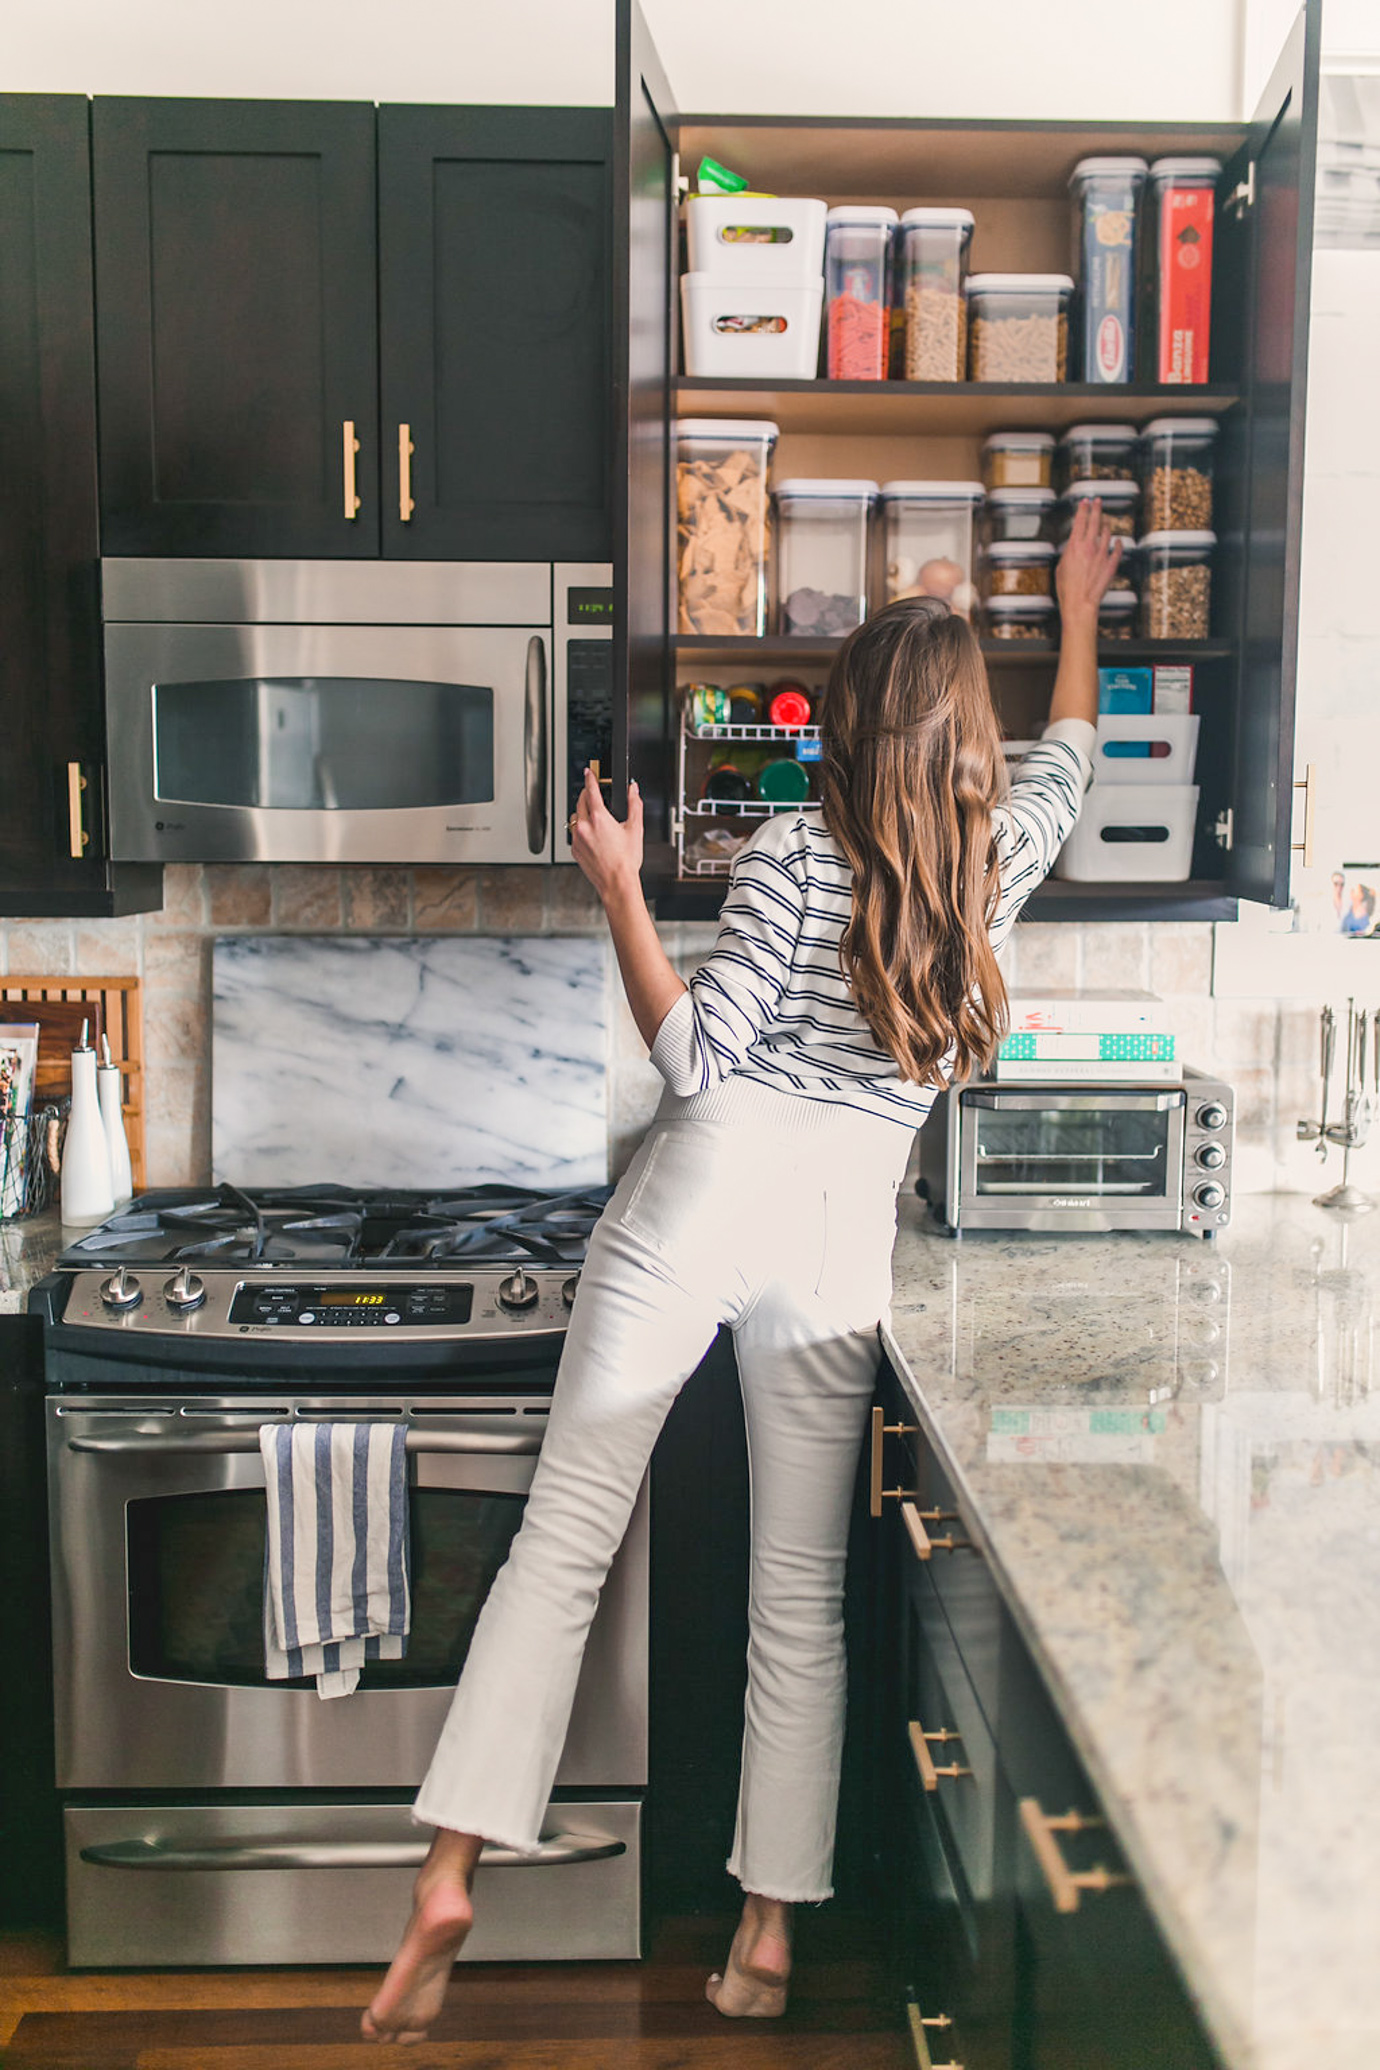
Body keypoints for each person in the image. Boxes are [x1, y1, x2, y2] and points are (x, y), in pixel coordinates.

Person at [362, 501, 1122, 2044]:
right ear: (966, 747)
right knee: (801, 1599)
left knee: (561, 1540)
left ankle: (450, 1870)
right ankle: (767, 1938)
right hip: (840, 1235)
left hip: (704, 1195)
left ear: (839, 728)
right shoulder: (996, 871)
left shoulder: (793, 850)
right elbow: (1076, 751)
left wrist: (622, 886)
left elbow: (694, 1056)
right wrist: (1081, 602)